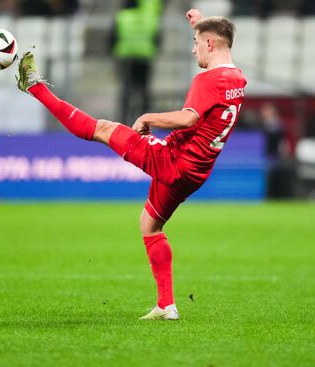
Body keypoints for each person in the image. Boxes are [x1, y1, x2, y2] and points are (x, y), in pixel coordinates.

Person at [16, 9, 247, 320]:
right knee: (149, 224)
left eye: (195, 42)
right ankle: (166, 306)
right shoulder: (237, 77)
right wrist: (201, 25)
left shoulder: (207, 79)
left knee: (103, 129)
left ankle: (33, 86)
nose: (193, 48)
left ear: (209, 44)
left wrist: (148, 117)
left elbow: (189, 117)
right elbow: (217, 40)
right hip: (196, 172)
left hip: (173, 161)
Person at [111, 0, 162, 123]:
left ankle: (124, 121)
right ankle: (146, 123)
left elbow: (112, 38)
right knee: (144, 92)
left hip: (126, 58)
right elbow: (157, 38)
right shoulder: (149, 18)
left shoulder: (122, 16)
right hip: (145, 57)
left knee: (126, 92)